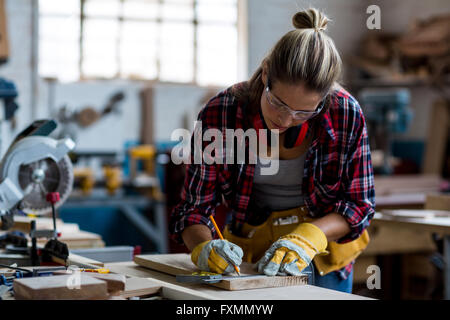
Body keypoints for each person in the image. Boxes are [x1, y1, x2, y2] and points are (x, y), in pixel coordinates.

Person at [169, 8, 375, 293]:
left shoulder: (345, 113)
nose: (286, 120)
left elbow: (358, 205)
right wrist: (203, 246)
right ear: (266, 73)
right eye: (278, 104)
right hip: (247, 253)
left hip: (322, 254)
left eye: (303, 113)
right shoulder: (222, 113)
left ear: (325, 98)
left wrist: (309, 236)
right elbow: (194, 209)